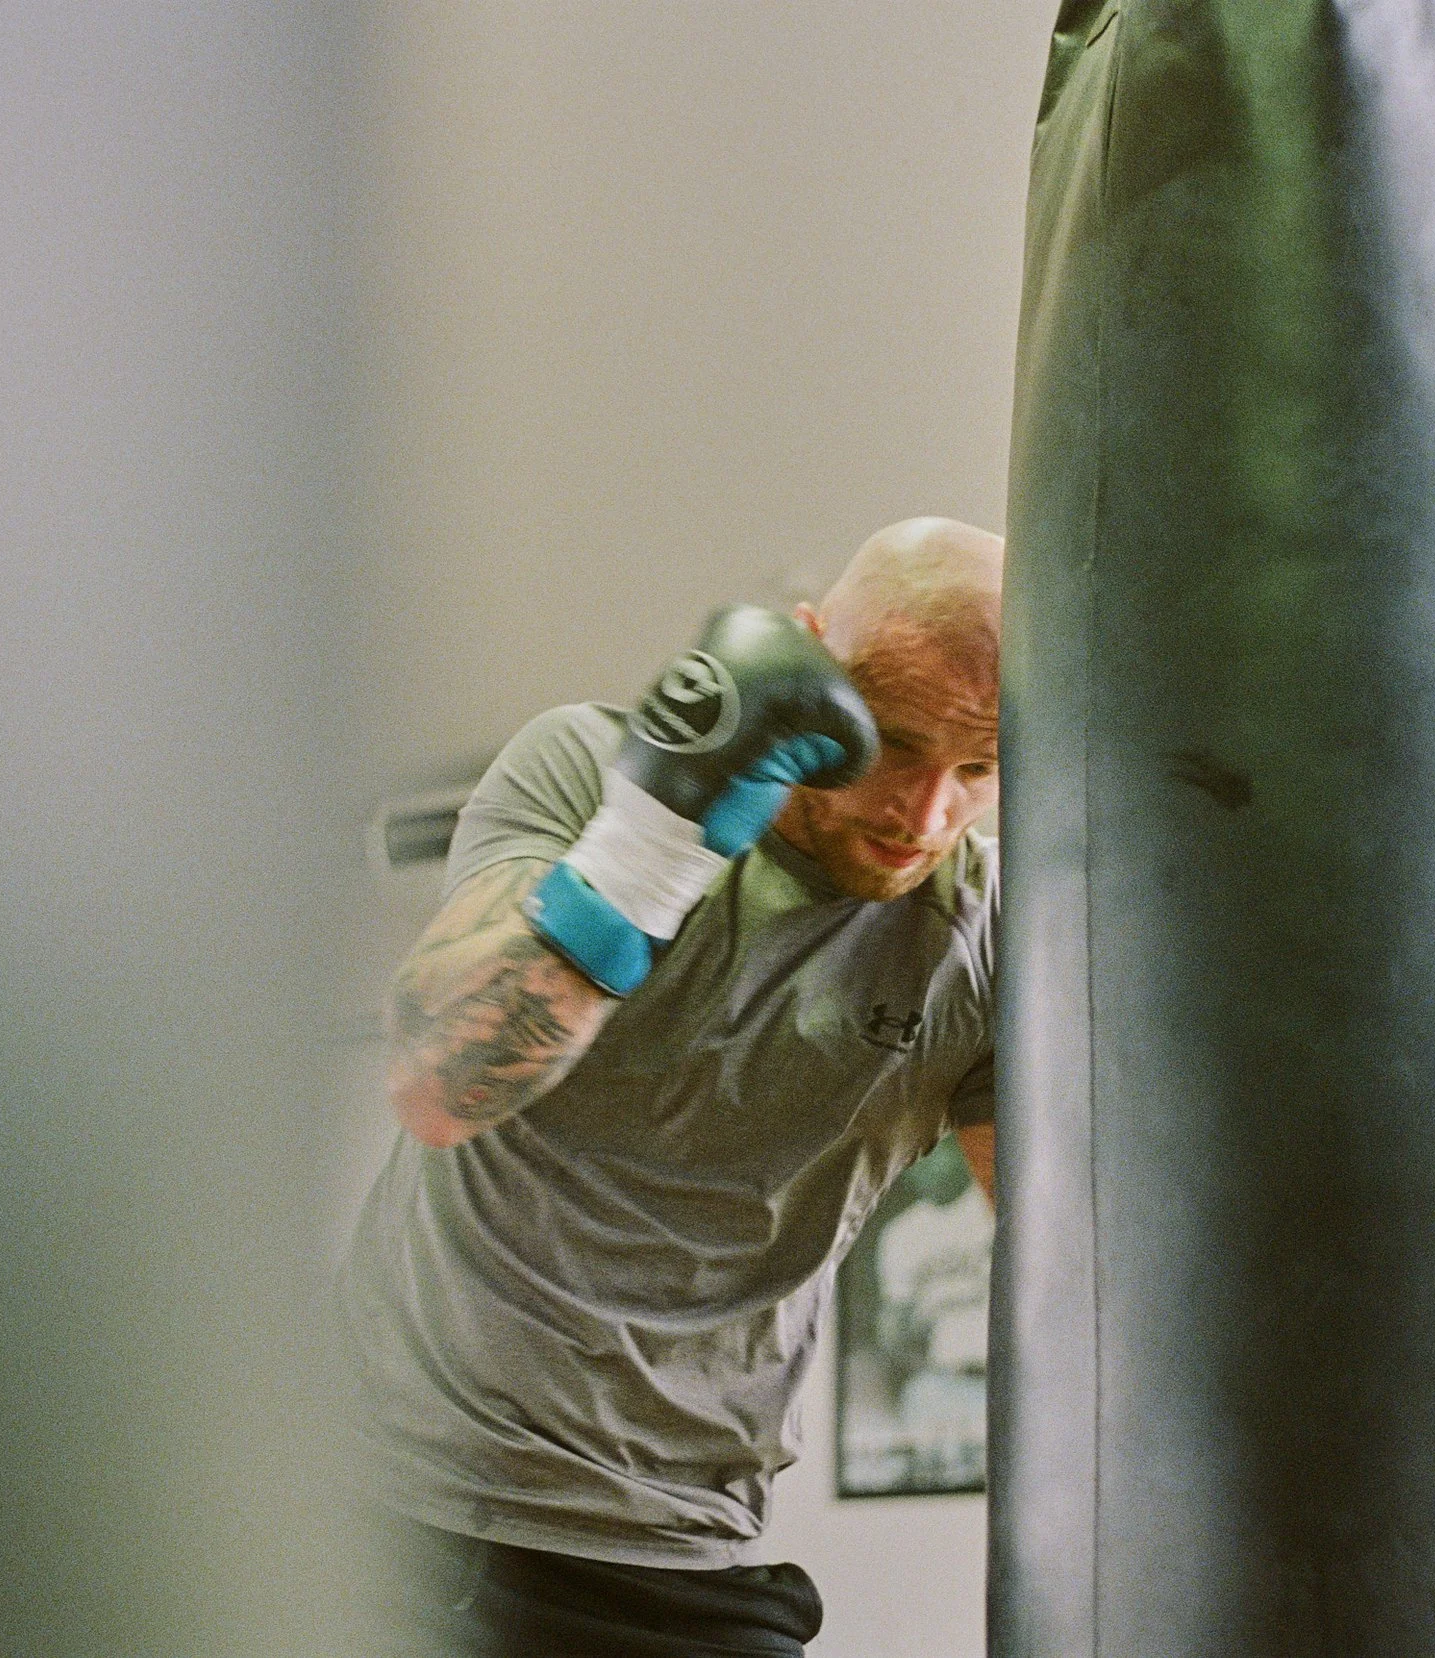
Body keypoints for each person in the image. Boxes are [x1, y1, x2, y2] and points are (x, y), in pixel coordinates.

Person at [329, 517, 1004, 1656]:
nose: (924, 814)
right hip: (416, 1509)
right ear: (804, 662)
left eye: (979, 767)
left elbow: (1079, 1266)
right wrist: (656, 836)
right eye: (892, 741)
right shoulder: (586, 773)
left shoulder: (980, 930)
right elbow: (441, 1084)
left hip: (694, 1546)